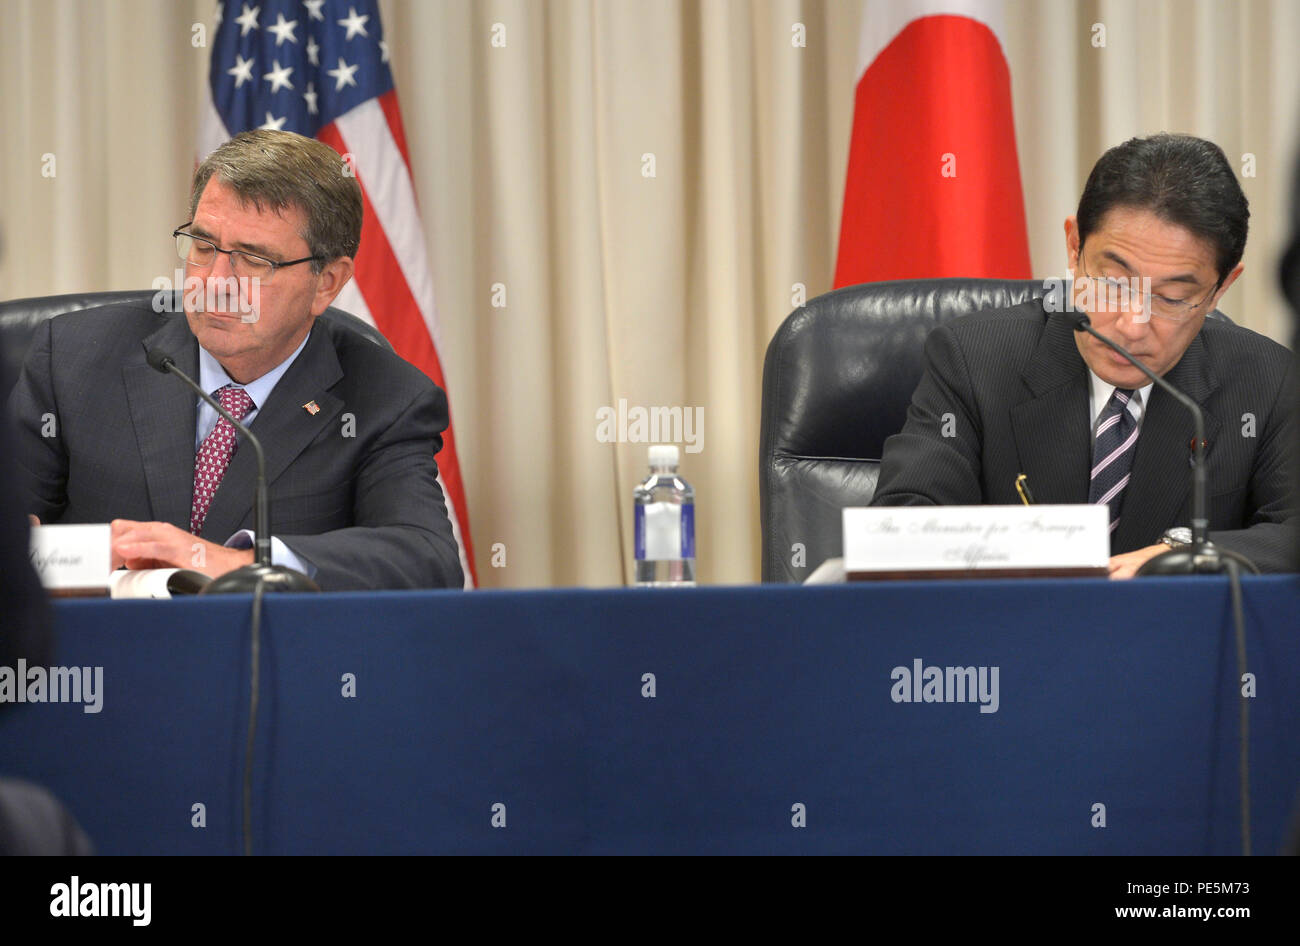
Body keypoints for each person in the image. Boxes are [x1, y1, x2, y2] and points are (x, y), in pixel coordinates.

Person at [7, 130, 463, 590]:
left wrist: (236, 563)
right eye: (204, 247)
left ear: (327, 282)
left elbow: (427, 561)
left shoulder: (385, 399)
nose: (215, 280)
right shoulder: (73, 356)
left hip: (269, 657)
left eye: (253, 259)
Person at [871, 133, 1297, 576]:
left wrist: (1187, 551)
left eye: (1171, 298)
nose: (1132, 326)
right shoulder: (974, 360)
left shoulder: (1267, 382)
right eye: (1112, 283)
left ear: (1220, 289)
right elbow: (906, 521)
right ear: (1074, 248)